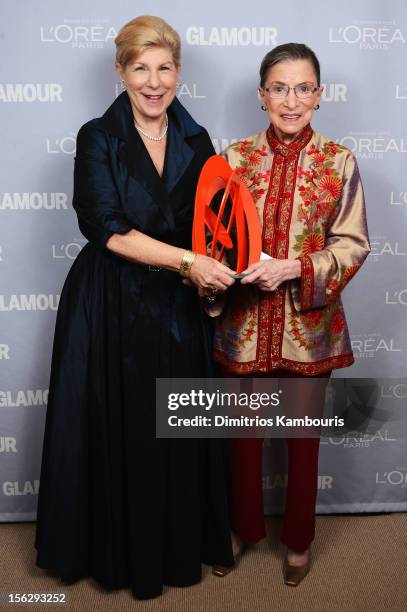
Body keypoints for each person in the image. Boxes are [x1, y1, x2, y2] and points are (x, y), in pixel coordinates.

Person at [34, 15, 235, 600]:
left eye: (164, 68)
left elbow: (210, 230)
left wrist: (212, 273)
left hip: (178, 304)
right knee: (114, 425)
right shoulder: (96, 135)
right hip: (110, 302)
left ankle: (175, 548)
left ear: (179, 71)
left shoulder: (199, 141)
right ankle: (118, 556)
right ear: (119, 72)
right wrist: (188, 263)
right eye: (140, 68)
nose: (153, 82)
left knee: (173, 426)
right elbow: (106, 227)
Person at [208, 43, 370, 585]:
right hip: (245, 326)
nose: (291, 100)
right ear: (262, 96)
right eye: (279, 88)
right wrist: (221, 272)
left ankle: (299, 539)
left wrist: (295, 269)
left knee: (302, 440)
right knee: (243, 436)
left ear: (319, 95)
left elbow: (352, 245)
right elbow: (215, 240)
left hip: (309, 327)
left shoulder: (339, 160)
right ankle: (244, 527)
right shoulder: (231, 160)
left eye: (303, 88)